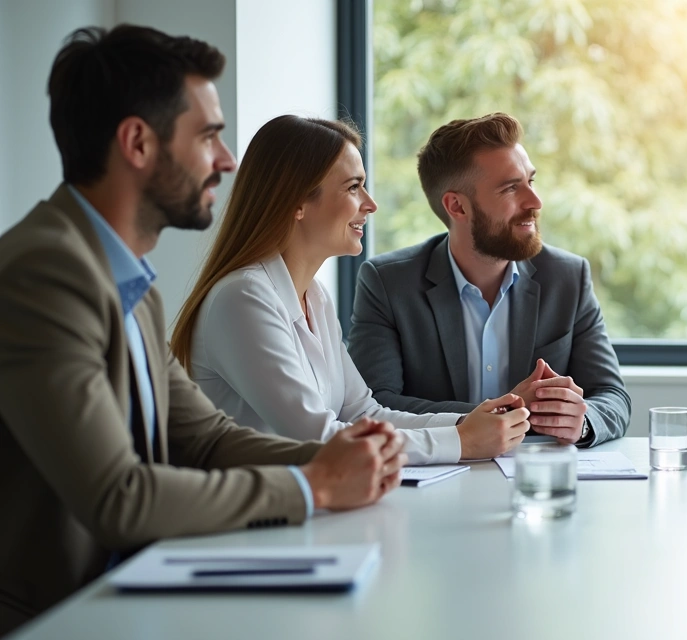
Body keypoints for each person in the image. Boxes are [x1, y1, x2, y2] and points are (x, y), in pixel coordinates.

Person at [0, 26, 406, 634]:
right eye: (209, 135)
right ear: (138, 142)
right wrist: (312, 485)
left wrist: (345, 457)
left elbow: (207, 439)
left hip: (143, 586)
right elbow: (120, 498)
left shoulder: (124, 279)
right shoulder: (44, 276)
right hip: (63, 615)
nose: (228, 160)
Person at [170, 115, 531, 463]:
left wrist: (468, 423)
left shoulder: (314, 296)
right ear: (296, 202)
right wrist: (461, 441)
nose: (370, 204)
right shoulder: (243, 299)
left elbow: (362, 412)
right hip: (254, 517)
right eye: (353, 187)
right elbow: (319, 437)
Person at [347, 113, 629, 447]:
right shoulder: (388, 283)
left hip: (538, 480)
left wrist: (581, 421)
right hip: (438, 480)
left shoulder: (568, 277)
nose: (535, 202)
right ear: (457, 207)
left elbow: (611, 397)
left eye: (531, 182)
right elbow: (375, 404)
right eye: (511, 188)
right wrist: (503, 412)